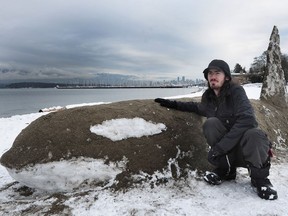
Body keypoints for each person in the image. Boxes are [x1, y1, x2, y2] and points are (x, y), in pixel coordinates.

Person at [154, 59, 278, 200]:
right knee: (211, 123)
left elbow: (248, 119)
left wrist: (219, 148)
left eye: (217, 73)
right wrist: (172, 103)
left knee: (254, 134)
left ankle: (260, 180)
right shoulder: (209, 98)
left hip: (247, 150)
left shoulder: (236, 91)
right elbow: (195, 107)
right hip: (229, 154)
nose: (213, 76)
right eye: (210, 73)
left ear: (226, 77)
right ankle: (226, 170)